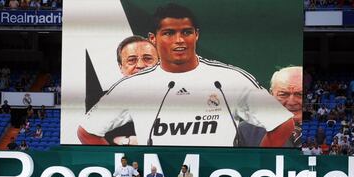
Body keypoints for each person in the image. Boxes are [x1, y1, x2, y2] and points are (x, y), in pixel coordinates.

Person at [77, 3, 294, 147]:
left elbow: (283, 124)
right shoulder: (132, 86)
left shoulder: (230, 79)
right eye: (169, 33)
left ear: (196, 35)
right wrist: (125, 165)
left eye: (186, 32)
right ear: (154, 38)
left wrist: (255, 164)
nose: (179, 40)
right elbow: (87, 132)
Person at [84, 35, 159, 145]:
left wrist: (123, 139)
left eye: (147, 59)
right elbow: (93, 135)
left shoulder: (178, 96)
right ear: (121, 67)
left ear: (158, 63)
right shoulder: (98, 100)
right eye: (132, 60)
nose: (141, 65)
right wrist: (128, 141)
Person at [238, 66, 302, 147]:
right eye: (283, 94)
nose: (291, 102)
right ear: (271, 94)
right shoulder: (246, 130)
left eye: (300, 94)